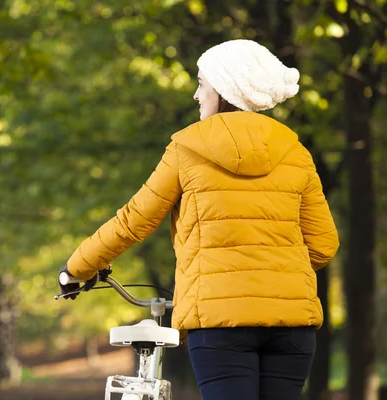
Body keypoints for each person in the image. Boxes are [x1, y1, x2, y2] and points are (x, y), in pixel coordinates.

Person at [57, 39, 339, 400]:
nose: (196, 94)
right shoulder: (295, 152)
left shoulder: (187, 149)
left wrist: (76, 269)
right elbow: (324, 245)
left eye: (201, 83)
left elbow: (133, 221)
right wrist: (276, 270)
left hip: (220, 326)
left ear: (224, 89)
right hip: (293, 328)